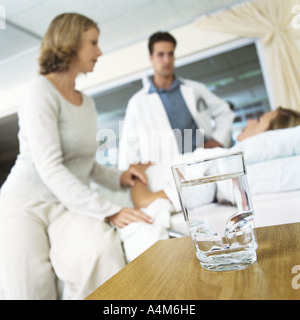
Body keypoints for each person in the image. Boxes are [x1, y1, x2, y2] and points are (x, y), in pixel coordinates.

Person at [0, 13, 153, 300]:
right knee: (30, 287)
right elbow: (50, 166)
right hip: (23, 204)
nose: (100, 52)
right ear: (70, 44)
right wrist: (109, 209)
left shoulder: (87, 103)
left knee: (101, 251)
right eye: (93, 43)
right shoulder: (39, 92)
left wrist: (119, 176)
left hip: (65, 204)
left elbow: (84, 163)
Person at [118, 31, 235, 170]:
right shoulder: (137, 102)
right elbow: (129, 145)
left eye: (170, 54)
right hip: (168, 170)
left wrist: (218, 141)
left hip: (205, 162)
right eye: (161, 55)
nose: (167, 60)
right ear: (151, 58)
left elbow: (224, 112)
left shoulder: (194, 89)